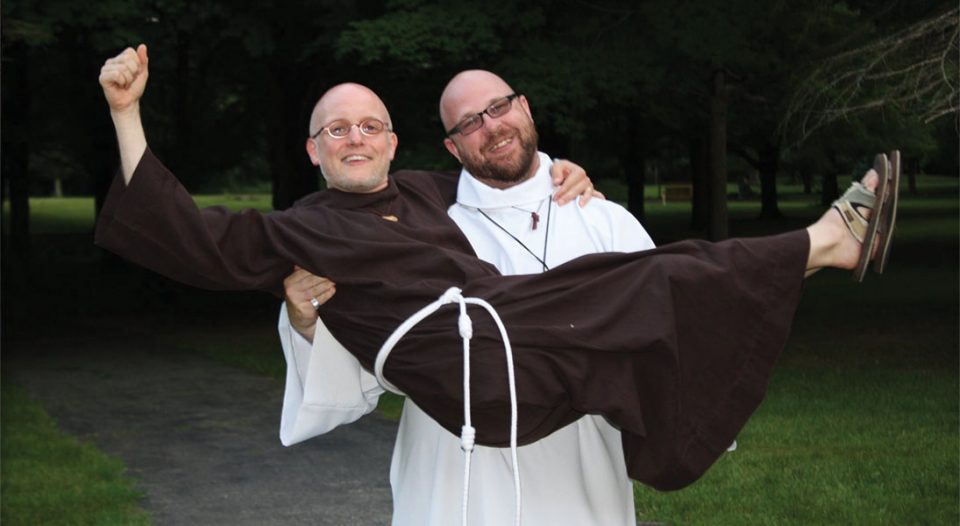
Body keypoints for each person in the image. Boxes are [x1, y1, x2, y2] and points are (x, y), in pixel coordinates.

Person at [95, 44, 899, 496]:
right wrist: (127, 114)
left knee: (666, 271)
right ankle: (828, 242)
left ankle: (822, 251)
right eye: (336, 129)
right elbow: (188, 236)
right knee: (649, 281)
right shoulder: (304, 231)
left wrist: (566, 169)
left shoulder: (432, 193)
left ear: (398, 144)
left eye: (371, 124)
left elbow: (503, 169)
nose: (356, 137)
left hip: (549, 397)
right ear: (313, 150)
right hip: (476, 391)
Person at [278, 69, 655, 525]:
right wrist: (306, 323)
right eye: (469, 122)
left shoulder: (605, 221)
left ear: (525, 108)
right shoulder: (426, 228)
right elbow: (378, 355)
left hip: (580, 468)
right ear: (453, 148)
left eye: (499, 107)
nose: (491, 126)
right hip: (455, 467)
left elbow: (662, 337)